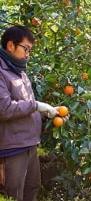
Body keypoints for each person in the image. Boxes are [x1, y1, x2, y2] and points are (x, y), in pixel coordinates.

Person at [0, 25, 59, 201]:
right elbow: (4, 109)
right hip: (12, 148)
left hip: (29, 144)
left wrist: (48, 114)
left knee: (31, 189)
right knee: (14, 195)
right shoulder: (2, 72)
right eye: (25, 48)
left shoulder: (19, 72)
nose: (27, 55)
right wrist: (37, 106)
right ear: (10, 45)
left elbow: (26, 107)